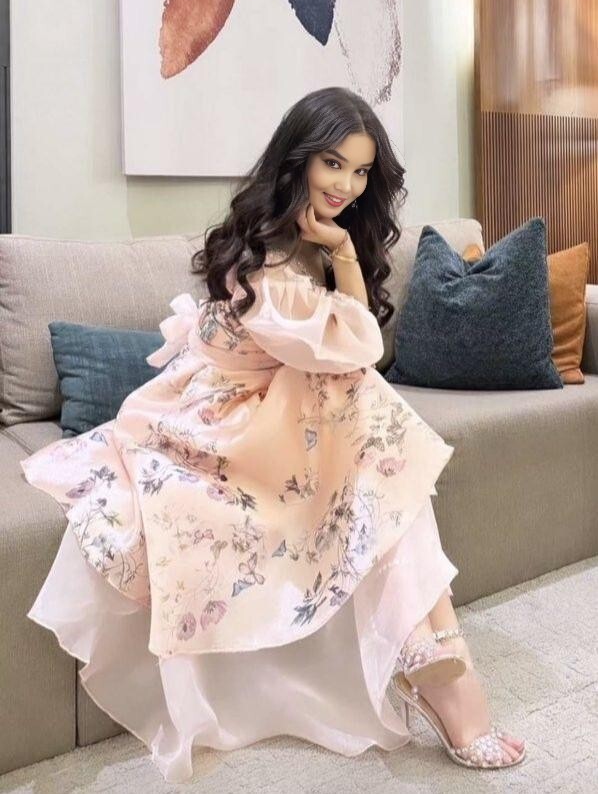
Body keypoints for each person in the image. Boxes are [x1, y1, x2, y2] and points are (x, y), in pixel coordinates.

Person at [20, 87, 525, 782]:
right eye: (332, 164)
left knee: (369, 430)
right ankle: (438, 662)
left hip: (278, 407)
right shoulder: (267, 258)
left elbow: (354, 349)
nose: (346, 186)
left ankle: (430, 648)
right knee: (367, 413)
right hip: (221, 420)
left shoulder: (318, 239)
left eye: (360, 171)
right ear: (298, 159)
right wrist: (342, 253)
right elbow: (359, 350)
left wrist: (343, 250)